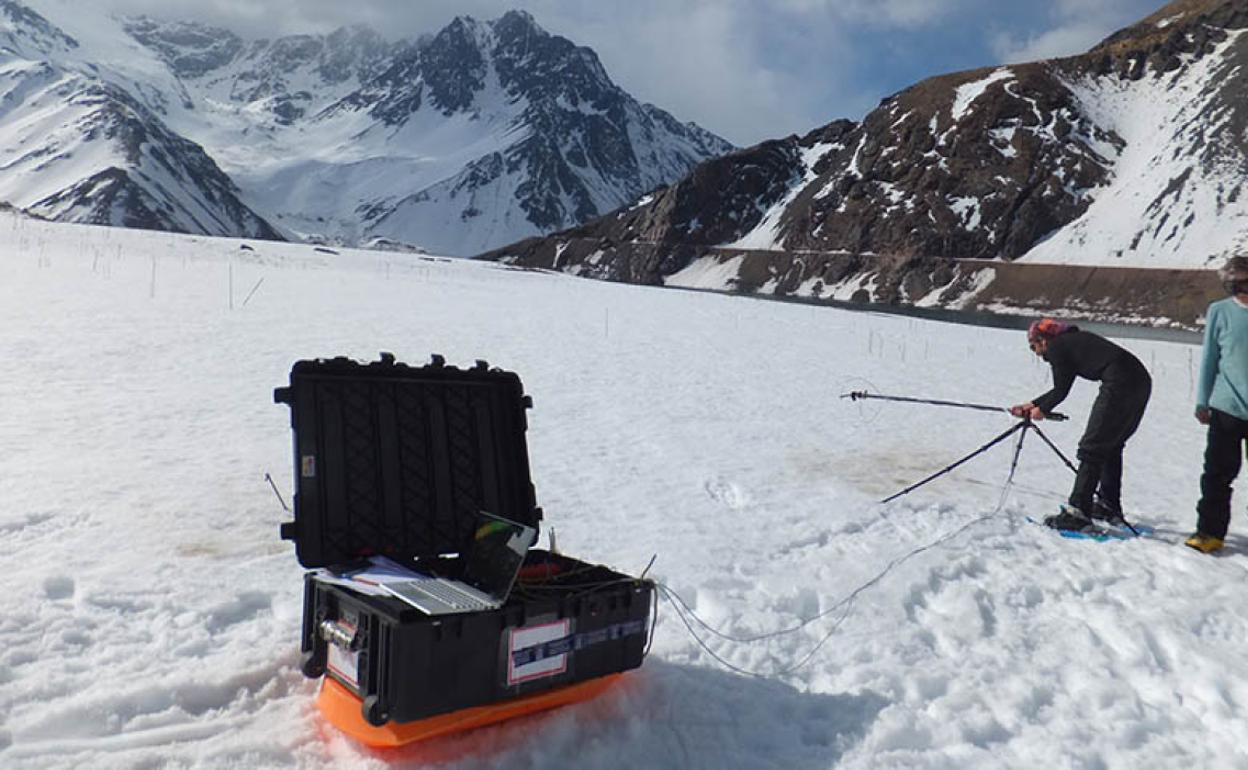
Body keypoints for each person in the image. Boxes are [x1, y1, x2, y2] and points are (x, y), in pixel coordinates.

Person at [1010, 318, 1152, 531]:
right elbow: (1060, 388)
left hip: (1119, 383)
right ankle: (1108, 505)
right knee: (1111, 446)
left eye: (1033, 346)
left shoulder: (1058, 347)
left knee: (1092, 447)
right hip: (1140, 382)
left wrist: (1041, 410)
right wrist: (1031, 405)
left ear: (1043, 340)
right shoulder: (1070, 341)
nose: (1036, 353)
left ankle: (1078, 513)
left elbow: (1061, 390)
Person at [1186, 256, 1248, 553]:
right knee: (1217, 474)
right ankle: (1209, 532)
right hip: (1226, 407)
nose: (1240, 289)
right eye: (1236, 284)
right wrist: (1202, 400)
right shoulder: (1219, 312)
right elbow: (1210, 357)